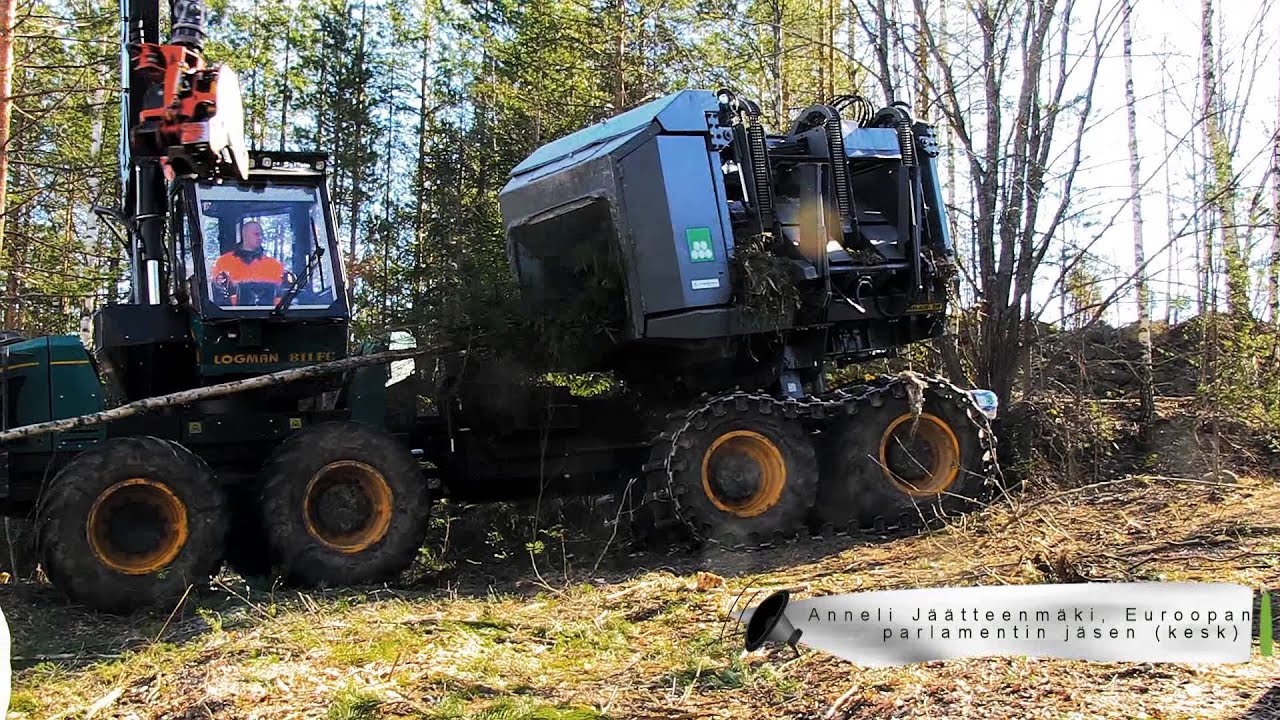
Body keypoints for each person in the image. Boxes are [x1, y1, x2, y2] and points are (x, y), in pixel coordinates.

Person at [211, 221, 286, 306]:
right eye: (256, 234)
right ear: (245, 235)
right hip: (232, 317)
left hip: (269, 316)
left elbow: (281, 296)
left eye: (261, 234)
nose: (260, 237)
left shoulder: (275, 265)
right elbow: (218, 293)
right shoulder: (223, 262)